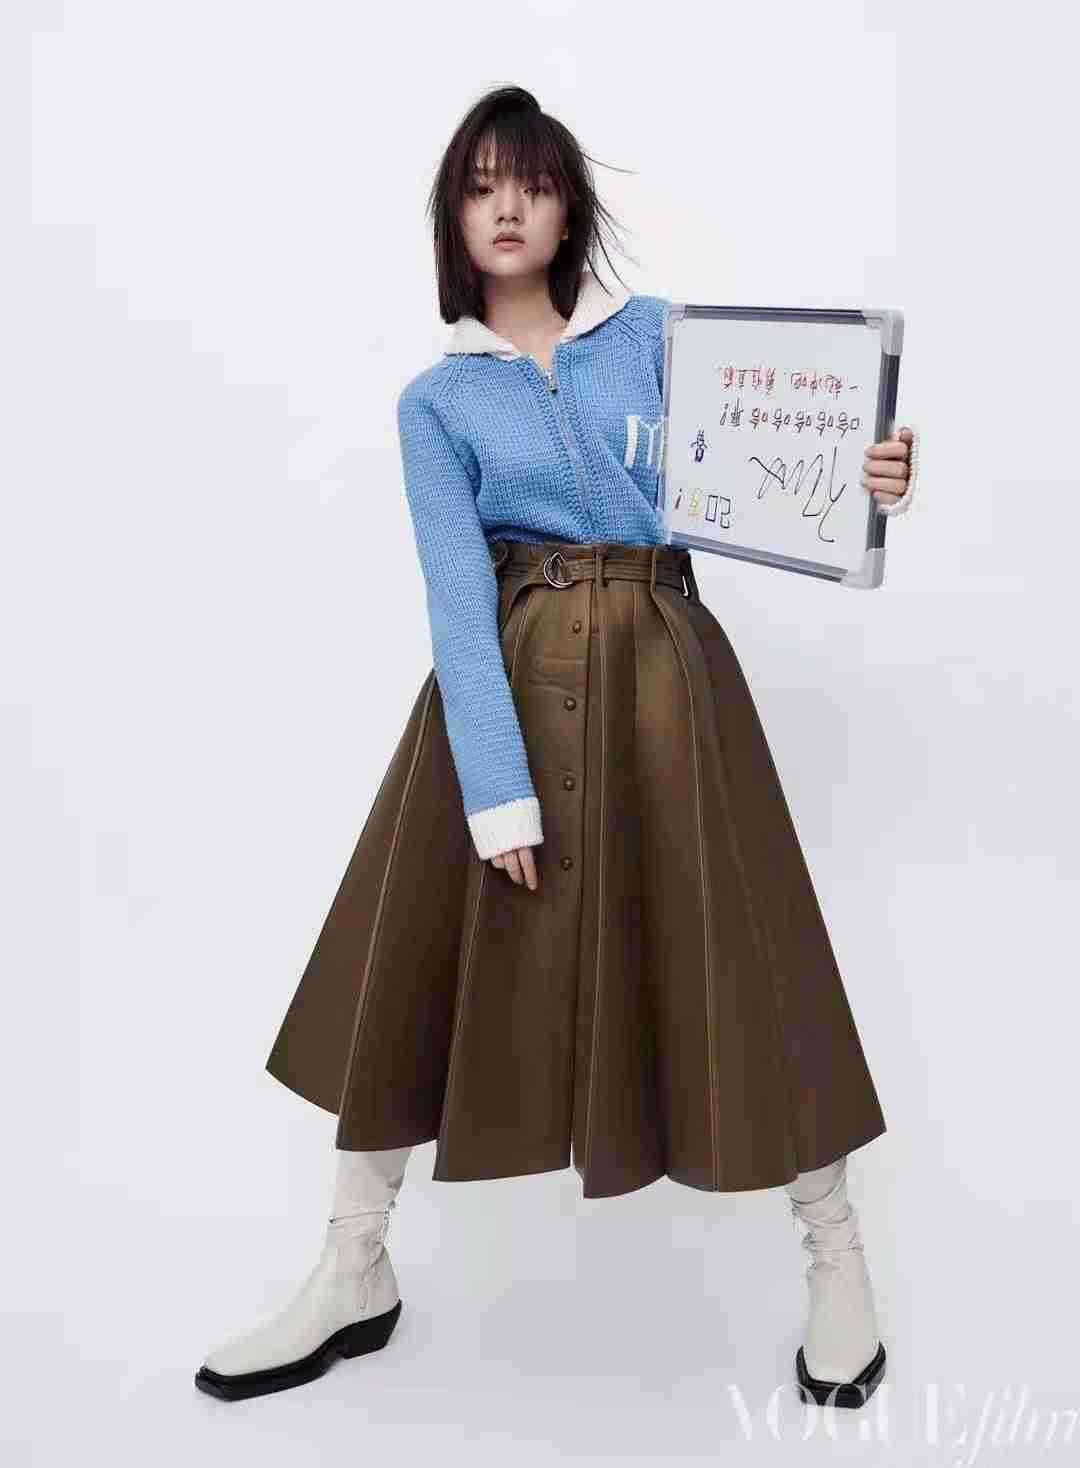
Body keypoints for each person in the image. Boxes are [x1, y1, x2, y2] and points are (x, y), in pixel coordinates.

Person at [195, 85, 917, 1409]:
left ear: (569, 205)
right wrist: (496, 791)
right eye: (481, 186)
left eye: (530, 181)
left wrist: (864, 480)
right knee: (406, 969)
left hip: (669, 685)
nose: (508, 207)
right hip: (505, 699)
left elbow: (768, 482)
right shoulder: (437, 402)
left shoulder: (659, 340)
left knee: (755, 963)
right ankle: (352, 1265)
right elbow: (454, 601)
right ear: (453, 217)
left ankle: (838, 1260)